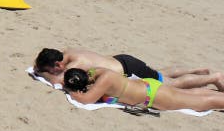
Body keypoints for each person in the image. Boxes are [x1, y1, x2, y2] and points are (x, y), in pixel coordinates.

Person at [33, 48, 224, 91]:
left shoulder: (75, 66)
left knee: (170, 84)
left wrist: (41, 73)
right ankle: (199, 69)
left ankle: (214, 78)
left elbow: (57, 82)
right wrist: (40, 66)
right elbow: (37, 63)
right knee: (158, 73)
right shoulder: (67, 53)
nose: (52, 72)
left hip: (128, 68)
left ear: (58, 65)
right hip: (122, 60)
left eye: (50, 69)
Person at [63, 67, 224, 112]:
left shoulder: (103, 81)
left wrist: (71, 91)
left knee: (200, 103)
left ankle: (217, 80)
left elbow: (86, 100)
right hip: (149, 87)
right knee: (189, 95)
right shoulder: (95, 72)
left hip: (153, 95)